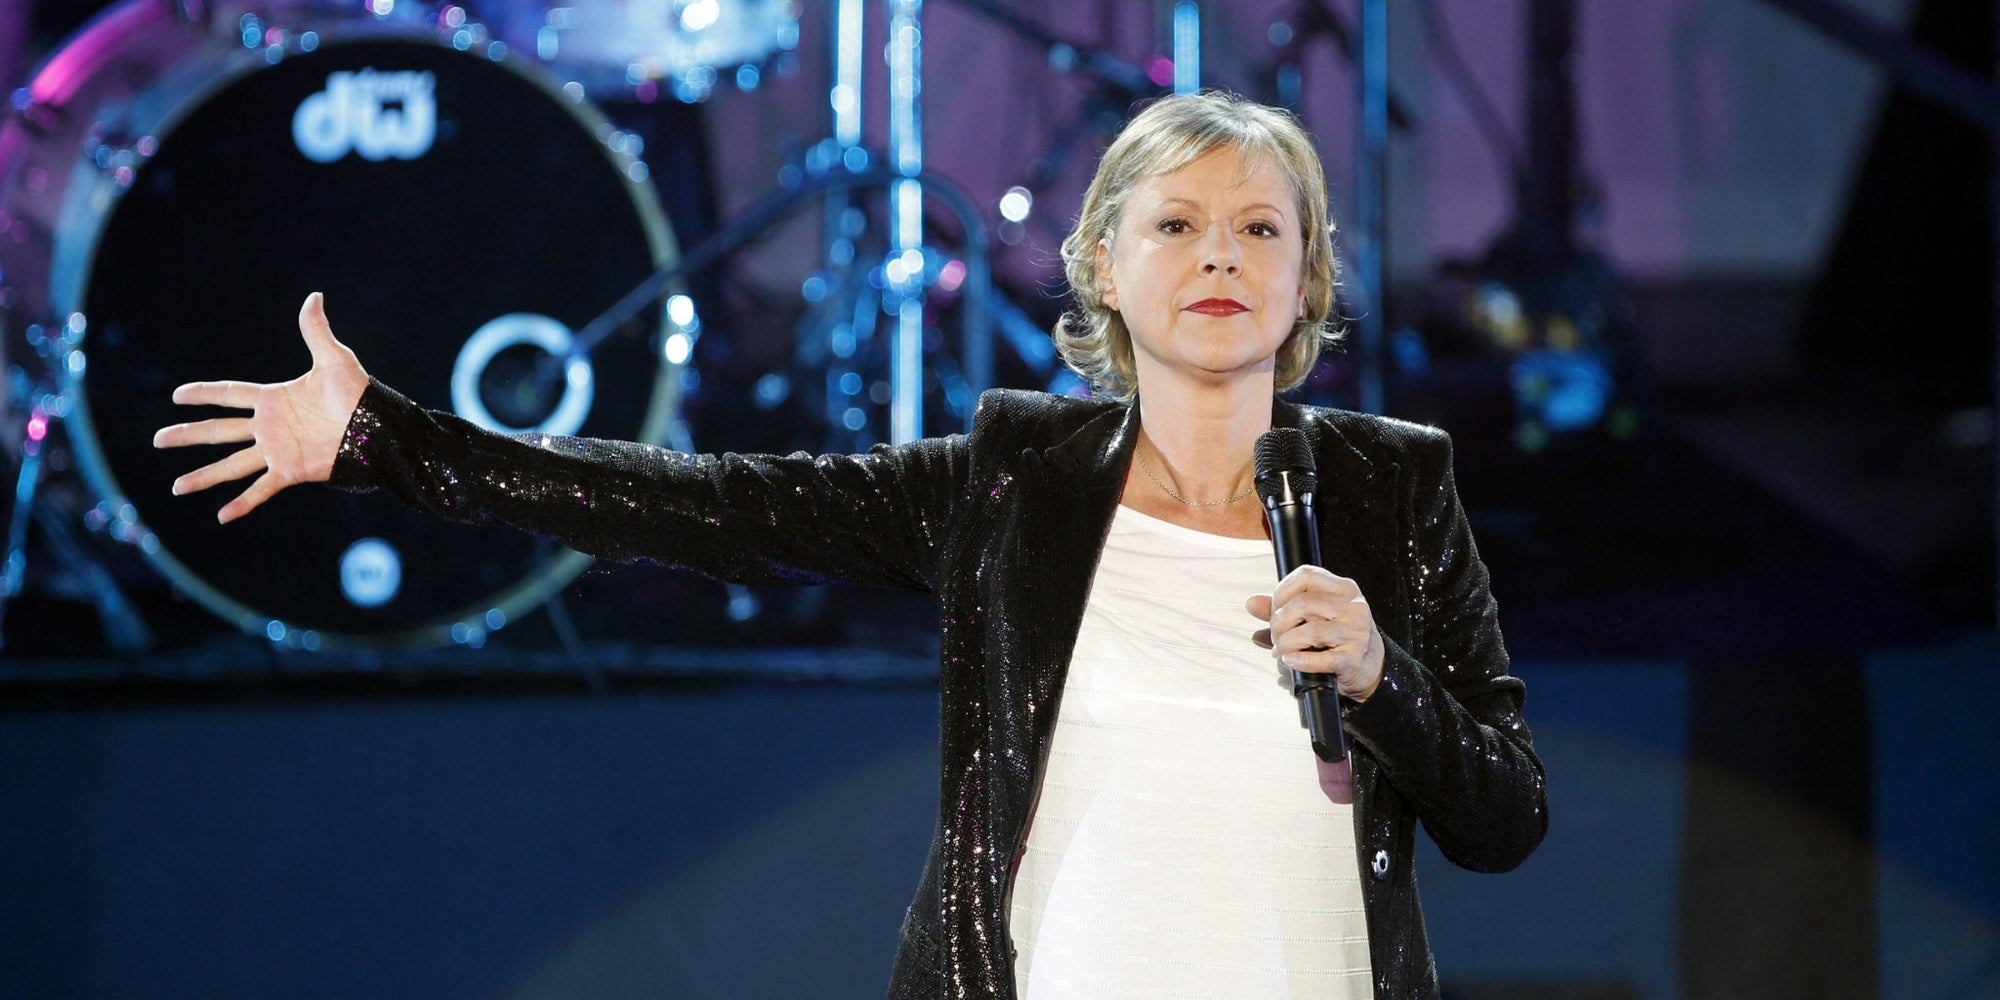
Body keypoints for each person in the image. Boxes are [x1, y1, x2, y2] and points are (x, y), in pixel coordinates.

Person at [155, 91, 1545, 999]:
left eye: (1260, 228)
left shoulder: (1390, 488)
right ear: (1104, 271)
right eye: (1176, 225)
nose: (1221, 257)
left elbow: (1505, 816)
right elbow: (700, 502)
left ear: (1308, 275)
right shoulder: (1012, 485)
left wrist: (1380, 677)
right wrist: (396, 441)